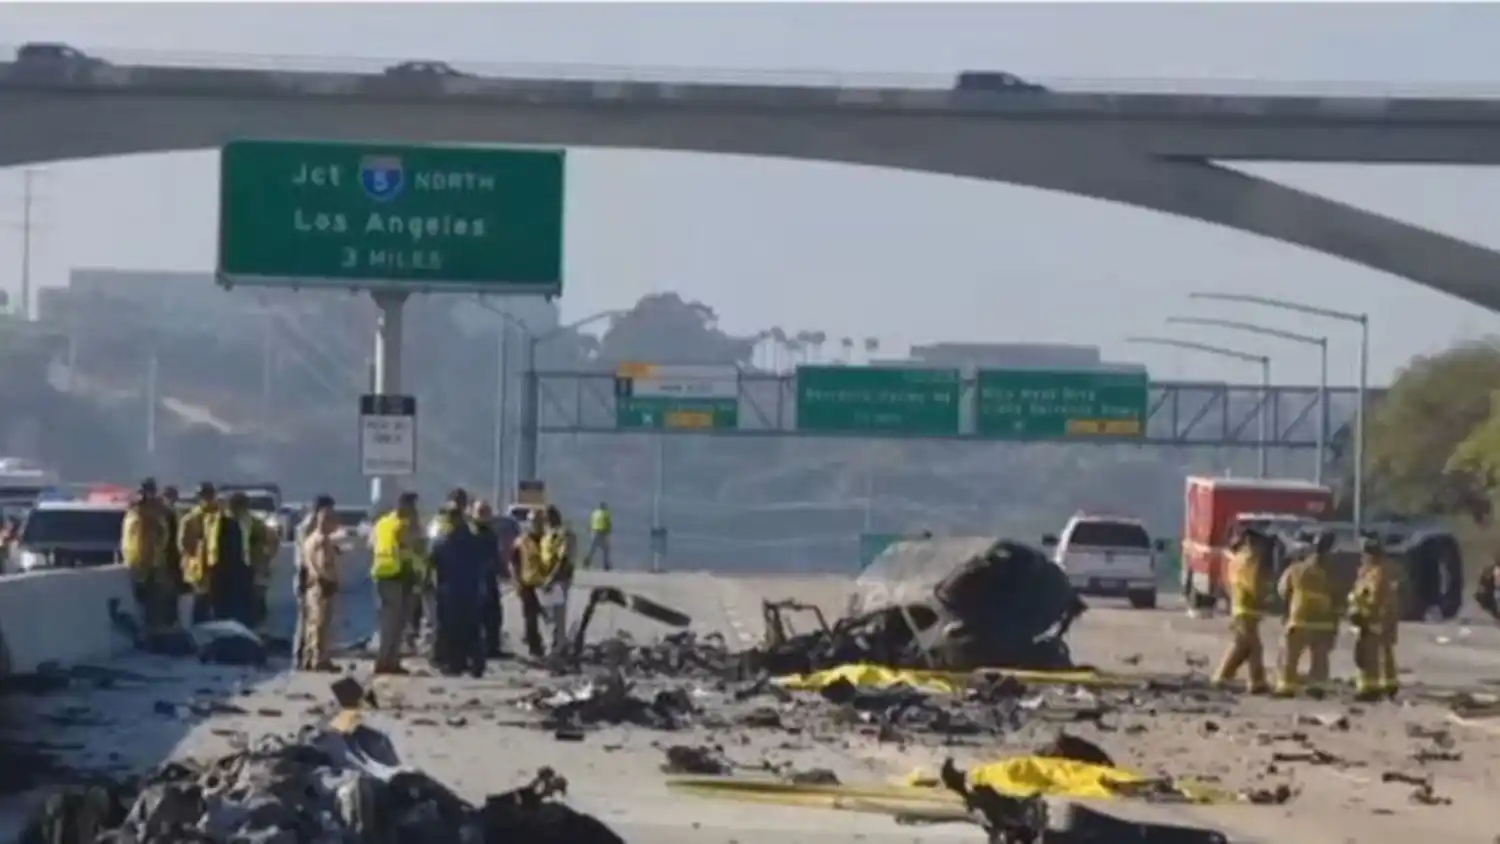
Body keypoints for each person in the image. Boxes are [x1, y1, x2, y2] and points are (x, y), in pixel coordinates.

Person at [429, 491, 489, 677]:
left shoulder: (443, 541)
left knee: (453, 628)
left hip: (452, 590)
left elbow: (434, 563)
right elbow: (483, 561)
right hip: (468, 588)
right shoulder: (473, 539)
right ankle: (474, 662)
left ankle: (458, 663)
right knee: (470, 627)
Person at [1274, 531, 1339, 697]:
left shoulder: (1296, 569)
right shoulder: (1333, 571)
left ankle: (1286, 686)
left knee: (1291, 653)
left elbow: (1282, 590)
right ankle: (1317, 686)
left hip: (1299, 618)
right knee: (1320, 656)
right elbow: (1338, 597)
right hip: (1324, 621)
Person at [1209, 526, 1273, 694]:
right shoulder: (1251, 559)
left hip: (1240, 606)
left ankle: (1234, 679)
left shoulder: (1239, 558)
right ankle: (1250, 681)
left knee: (1245, 646)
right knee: (1251, 646)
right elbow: (1255, 584)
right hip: (1247, 608)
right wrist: (1266, 597)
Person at [371, 491, 424, 675]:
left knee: (392, 623)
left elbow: (373, 544)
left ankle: (390, 661)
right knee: (394, 623)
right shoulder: (403, 525)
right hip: (397, 576)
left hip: (385, 574)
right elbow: (413, 547)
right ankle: (386, 661)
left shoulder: (383, 523)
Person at [1348, 537, 1402, 701]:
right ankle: (1388, 683)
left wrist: (1364, 613)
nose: (1362, 557)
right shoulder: (1379, 569)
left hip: (1375, 617)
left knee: (1369, 653)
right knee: (1384, 651)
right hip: (1381, 617)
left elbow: (1374, 596)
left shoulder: (1377, 572)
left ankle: (1370, 688)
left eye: (1364, 554)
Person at [120, 478, 172, 636]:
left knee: (156, 599)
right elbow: (128, 538)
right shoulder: (134, 511)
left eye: (149, 492)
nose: (146, 496)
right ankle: (147, 631)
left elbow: (164, 535)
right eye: (144, 492)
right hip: (138, 562)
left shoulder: (159, 511)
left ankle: (156, 630)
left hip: (154, 563)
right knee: (143, 599)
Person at [298, 499, 342, 672]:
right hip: (322, 586)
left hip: (313, 585)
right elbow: (322, 564)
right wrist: (329, 581)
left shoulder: (310, 539)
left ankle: (309, 657)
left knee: (312, 623)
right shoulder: (322, 540)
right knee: (321, 624)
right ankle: (319, 659)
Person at [178, 483, 223, 624]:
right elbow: (183, 545)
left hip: (218, 567)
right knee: (201, 602)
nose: (207, 499)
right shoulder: (191, 519)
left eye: (209, 495)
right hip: (199, 569)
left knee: (214, 603)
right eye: (205, 496)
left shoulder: (222, 516)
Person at [510, 512, 551, 659]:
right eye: (533, 522)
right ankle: (535, 646)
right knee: (530, 616)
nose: (536, 525)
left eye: (539, 522)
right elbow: (513, 562)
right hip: (527, 583)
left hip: (546, 584)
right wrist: (516, 581)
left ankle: (550, 644)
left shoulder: (548, 539)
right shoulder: (521, 541)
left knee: (549, 616)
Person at [471, 500, 507, 658]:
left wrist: (502, 570)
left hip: (490, 579)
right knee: (477, 615)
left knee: (494, 615)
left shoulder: (491, 534)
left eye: (486, 512)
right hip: (475, 579)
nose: (484, 516)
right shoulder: (472, 534)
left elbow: (496, 555)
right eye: (481, 512)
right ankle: (476, 647)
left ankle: (492, 646)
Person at [541, 504, 577, 657]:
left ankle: (558, 647)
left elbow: (563, 560)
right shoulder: (547, 535)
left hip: (559, 579)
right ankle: (554, 644)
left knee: (557, 614)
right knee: (549, 614)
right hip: (547, 579)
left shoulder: (563, 534)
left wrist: (552, 578)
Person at [585, 501, 613, 571]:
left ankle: (587, 562)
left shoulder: (595, 513)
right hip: (603, 532)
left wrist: (590, 530)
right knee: (606, 550)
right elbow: (609, 524)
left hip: (594, 532)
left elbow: (591, 522)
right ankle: (605, 565)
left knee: (592, 548)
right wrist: (609, 533)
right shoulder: (607, 513)